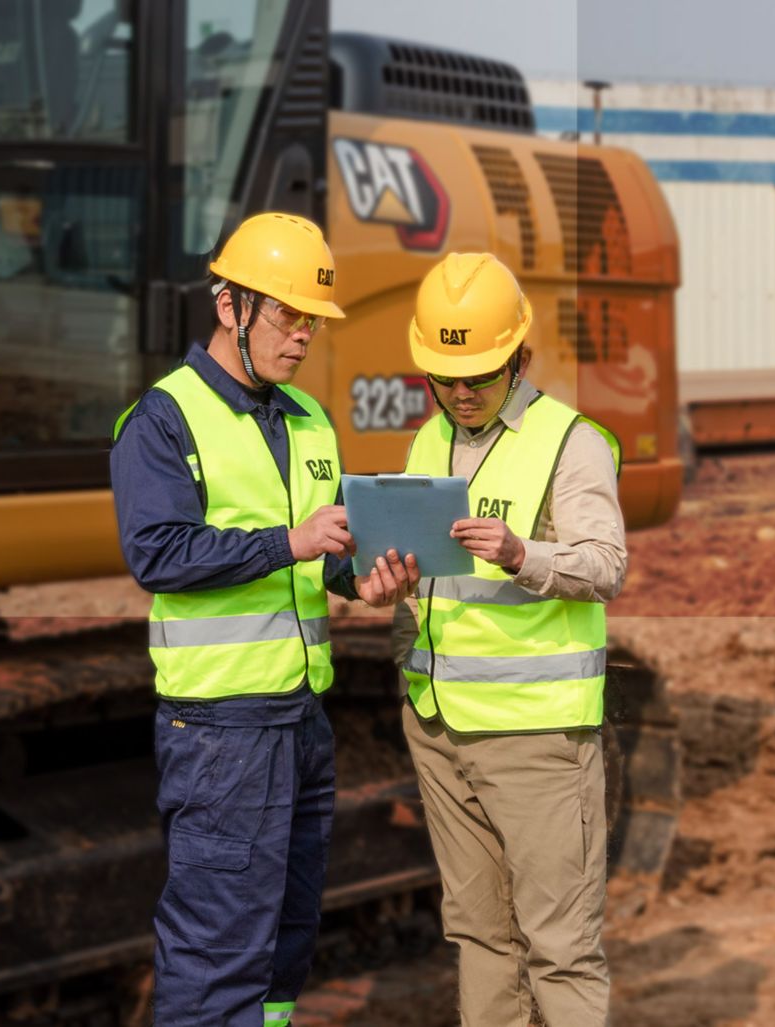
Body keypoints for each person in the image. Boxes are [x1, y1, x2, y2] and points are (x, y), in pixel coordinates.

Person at [109, 212, 417, 1027]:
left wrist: (368, 578)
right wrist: (290, 541)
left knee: (285, 940)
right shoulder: (164, 420)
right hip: (220, 731)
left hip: (301, 718)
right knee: (217, 951)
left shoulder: (310, 421)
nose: (303, 334)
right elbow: (159, 553)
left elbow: (330, 551)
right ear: (229, 306)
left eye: (312, 318)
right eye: (286, 313)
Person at [392, 252, 628, 1026]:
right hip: (440, 726)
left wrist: (524, 554)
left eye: (480, 376)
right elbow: (432, 585)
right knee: (479, 937)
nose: (461, 393)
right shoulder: (428, 443)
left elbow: (606, 565)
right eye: (445, 376)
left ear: (520, 357)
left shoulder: (571, 442)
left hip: (536, 737)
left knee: (559, 947)